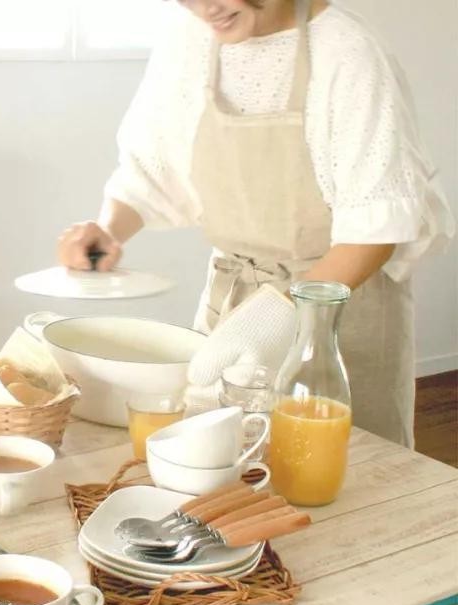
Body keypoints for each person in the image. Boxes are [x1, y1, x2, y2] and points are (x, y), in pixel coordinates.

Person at [55, 0, 453, 447]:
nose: (204, 6)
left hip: (341, 312)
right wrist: (110, 229)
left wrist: (273, 317)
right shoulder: (191, 34)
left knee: (352, 477)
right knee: (226, 464)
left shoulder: (348, 51)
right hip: (235, 302)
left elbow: (375, 233)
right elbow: (152, 166)